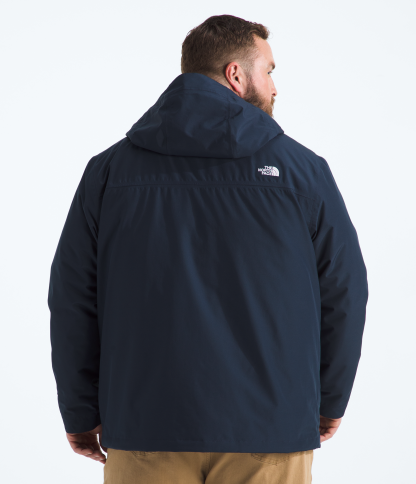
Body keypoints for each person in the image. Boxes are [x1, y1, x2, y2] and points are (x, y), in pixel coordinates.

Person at [48, 14, 368, 484]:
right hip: (270, 427)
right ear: (236, 74)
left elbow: (73, 298)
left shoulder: (109, 172)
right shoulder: (302, 171)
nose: (275, 87)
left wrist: (80, 410)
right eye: (269, 71)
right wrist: (328, 401)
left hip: (145, 427)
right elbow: (344, 292)